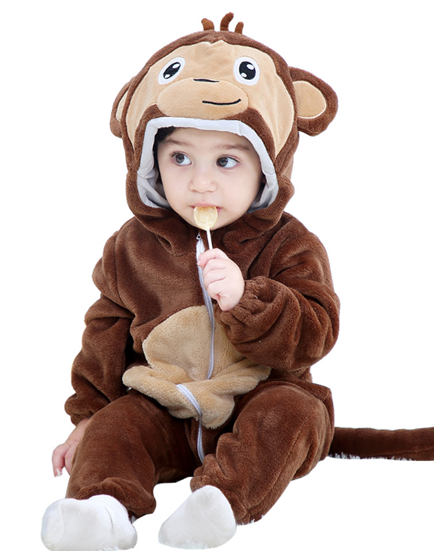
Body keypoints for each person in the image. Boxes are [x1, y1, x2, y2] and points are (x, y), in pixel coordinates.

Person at [41, 90, 340, 550]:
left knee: (294, 413)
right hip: (166, 409)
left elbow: (317, 332)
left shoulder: (290, 243)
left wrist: (246, 300)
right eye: (180, 158)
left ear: (266, 166)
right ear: (150, 162)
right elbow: (104, 335)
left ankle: (220, 501)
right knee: (115, 426)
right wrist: (87, 417)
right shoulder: (131, 247)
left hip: (255, 403)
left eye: (226, 161)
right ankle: (101, 509)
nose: (200, 183)